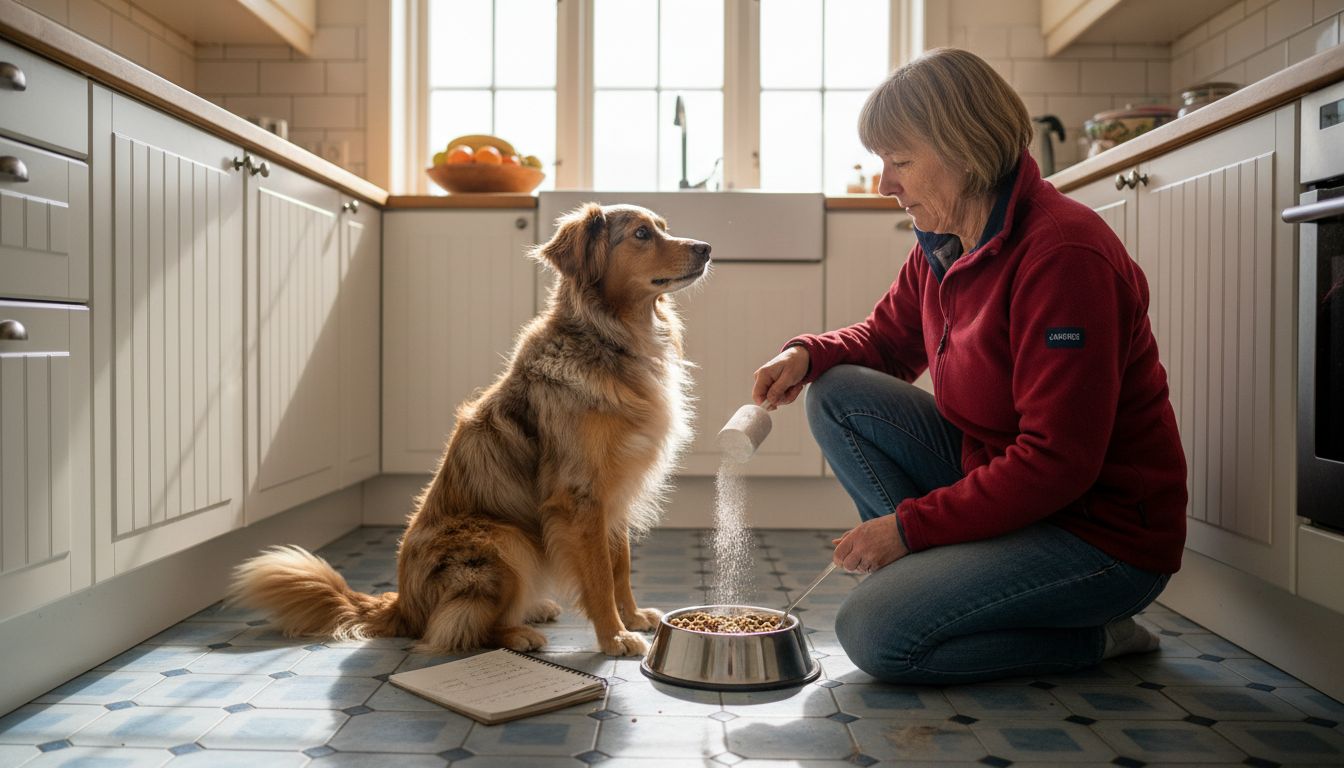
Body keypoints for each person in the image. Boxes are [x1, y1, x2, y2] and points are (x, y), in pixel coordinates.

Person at [752, 48, 1187, 685]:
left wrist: (906, 528)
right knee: (834, 391)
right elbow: (885, 340)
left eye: (900, 162)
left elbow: (1057, 461)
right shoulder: (945, 240)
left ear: (966, 150)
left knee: (874, 635)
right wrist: (807, 354)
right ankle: (943, 585)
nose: (884, 185)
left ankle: (1095, 637)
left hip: (1100, 538)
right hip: (1013, 494)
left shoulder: (1064, 256)